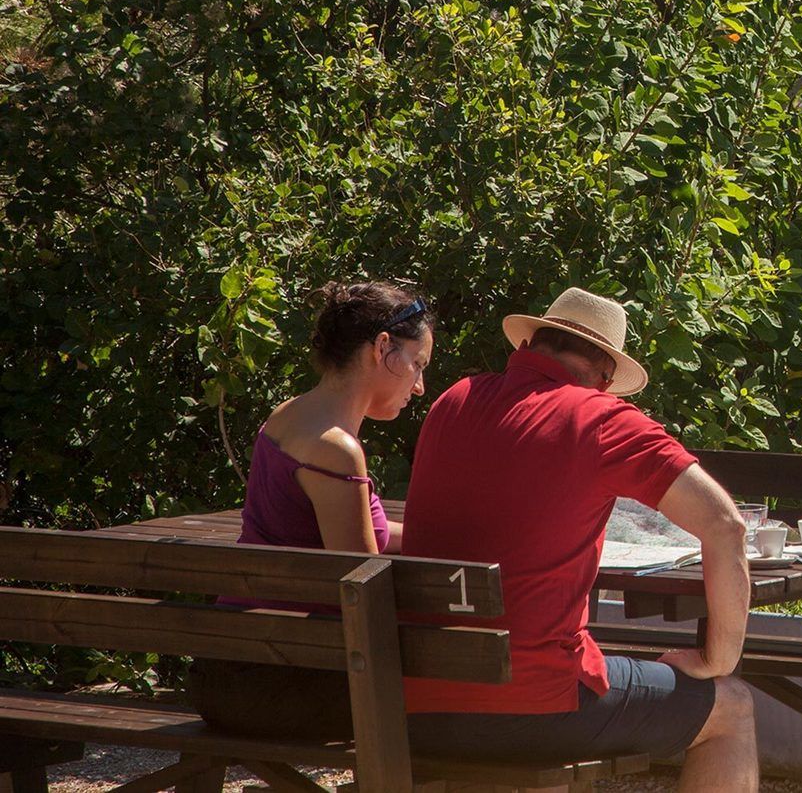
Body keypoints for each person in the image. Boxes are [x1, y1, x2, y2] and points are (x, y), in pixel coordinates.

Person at [400, 287, 757, 792]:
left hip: (415, 702)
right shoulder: (601, 418)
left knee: (559, 670)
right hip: (531, 709)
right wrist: (714, 660)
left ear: (534, 344)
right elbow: (726, 525)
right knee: (733, 706)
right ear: (605, 376)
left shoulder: (454, 400)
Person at [190, 279, 437, 739]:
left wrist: (458, 537)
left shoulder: (290, 414)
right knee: (457, 701)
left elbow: (368, 535)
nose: (420, 386)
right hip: (277, 682)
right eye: (417, 364)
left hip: (230, 666)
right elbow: (366, 585)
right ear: (383, 347)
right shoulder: (336, 449)